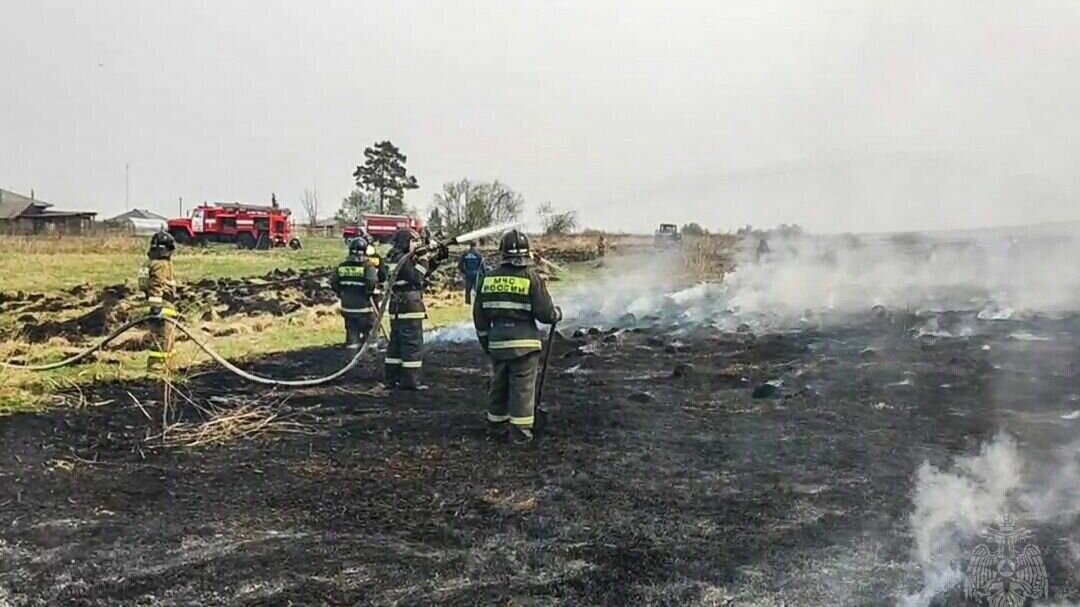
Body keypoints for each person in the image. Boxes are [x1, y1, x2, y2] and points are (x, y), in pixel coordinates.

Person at [473, 229, 561, 444]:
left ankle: (495, 427)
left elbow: (479, 316)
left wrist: (487, 342)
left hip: (497, 342)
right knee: (522, 388)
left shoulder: (488, 279)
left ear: (502, 253)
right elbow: (545, 314)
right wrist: (556, 314)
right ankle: (520, 434)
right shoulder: (531, 278)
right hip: (525, 344)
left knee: (499, 385)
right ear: (526, 254)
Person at [384, 228, 447, 390]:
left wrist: (436, 259)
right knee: (412, 343)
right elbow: (417, 278)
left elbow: (418, 274)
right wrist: (424, 258)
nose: (417, 244)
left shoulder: (394, 257)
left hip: (398, 306)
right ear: (405, 242)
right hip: (408, 305)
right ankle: (411, 381)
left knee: (397, 344)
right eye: (414, 241)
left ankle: (392, 379)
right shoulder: (402, 259)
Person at [331, 236, 385, 349]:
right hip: (365, 308)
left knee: (352, 332)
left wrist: (342, 294)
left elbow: (334, 283)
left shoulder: (342, 267)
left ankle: (352, 354)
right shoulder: (368, 266)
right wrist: (368, 292)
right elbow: (371, 282)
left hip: (347, 307)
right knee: (371, 332)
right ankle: (370, 355)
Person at [139, 231, 178, 372]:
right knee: (164, 340)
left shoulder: (150, 262)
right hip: (162, 307)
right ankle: (157, 369)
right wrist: (156, 308)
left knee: (166, 339)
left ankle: (169, 367)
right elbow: (156, 285)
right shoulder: (160, 264)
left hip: (157, 305)